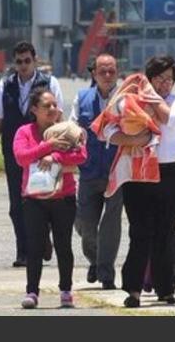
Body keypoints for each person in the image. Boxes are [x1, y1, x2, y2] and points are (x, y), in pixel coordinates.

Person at [0, 41, 64, 268]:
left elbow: (60, 119)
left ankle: (43, 240)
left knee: (43, 200)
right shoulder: (5, 86)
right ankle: (23, 252)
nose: (23, 65)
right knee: (17, 205)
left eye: (27, 60)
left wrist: (60, 149)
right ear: (14, 63)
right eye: (19, 62)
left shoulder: (50, 83)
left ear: (35, 60)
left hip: (44, 152)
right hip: (16, 153)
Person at [120, 56, 175, 308]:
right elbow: (111, 129)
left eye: (169, 79)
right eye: (159, 79)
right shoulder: (131, 100)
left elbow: (168, 119)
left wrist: (149, 96)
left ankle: (166, 287)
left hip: (171, 173)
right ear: (149, 78)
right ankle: (134, 289)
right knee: (140, 232)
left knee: (165, 232)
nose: (164, 84)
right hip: (140, 173)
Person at [14, 87, 87, 309]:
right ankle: (32, 291)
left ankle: (66, 290)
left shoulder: (68, 129)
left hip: (63, 197)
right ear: (34, 109)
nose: (53, 109)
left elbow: (81, 155)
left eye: (55, 105)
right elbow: (21, 157)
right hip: (34, 198)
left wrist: (54, 156)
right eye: (47, 106)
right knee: (35, 247)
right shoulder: (24, 132)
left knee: (64, 246)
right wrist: (48, 145)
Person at [71, 53, 122, 290]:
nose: (108, 76)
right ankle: (95, 260)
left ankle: (106, 273)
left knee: (111, 225)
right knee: (85, 225)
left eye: (112, 71)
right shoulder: (82, 98)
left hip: (116, 172)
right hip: (89, 171)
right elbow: (71, 128)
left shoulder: (126, 100)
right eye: (103, 71)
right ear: (94, 73)